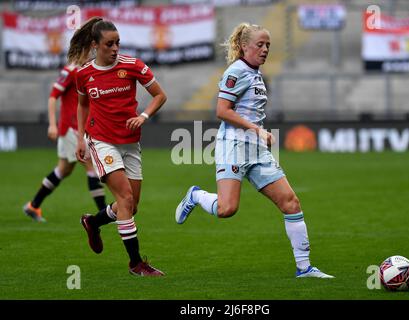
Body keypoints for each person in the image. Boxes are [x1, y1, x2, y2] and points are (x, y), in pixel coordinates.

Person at [175, 23, 334, 279]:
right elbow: (222, 111)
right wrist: (257, 130)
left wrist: (259, 133)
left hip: (256, 149)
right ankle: (195, 196)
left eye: (268, 45)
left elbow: (249, 111)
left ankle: (304, 268)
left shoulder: (256, 74)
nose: (265, 49)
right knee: (227, 209)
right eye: (260, 44)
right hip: (234, 146)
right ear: (244, 46)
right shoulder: (236, 71)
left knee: (291, 203)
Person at [69, 17, 167, 277]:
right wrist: (80, 138)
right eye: (109, 44)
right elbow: (82, 105)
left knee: (131, 206)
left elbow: (160, 95)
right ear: (95, 45)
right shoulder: (84, 74)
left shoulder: (133, 66)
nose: (114, 49)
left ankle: (93, 221)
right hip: (101, 141)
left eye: (117, 43)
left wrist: (143, 116)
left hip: (131, 143)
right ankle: (136, 263)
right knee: (125, 198)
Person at [23, 63, 107, 223]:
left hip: (78, 128)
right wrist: (52, 124)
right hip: (71, 128)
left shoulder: (89, 69)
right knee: (92, 167)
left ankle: (33, 206)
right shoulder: (70, 71)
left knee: (63, 170)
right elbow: (53, 96)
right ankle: (104, 213)